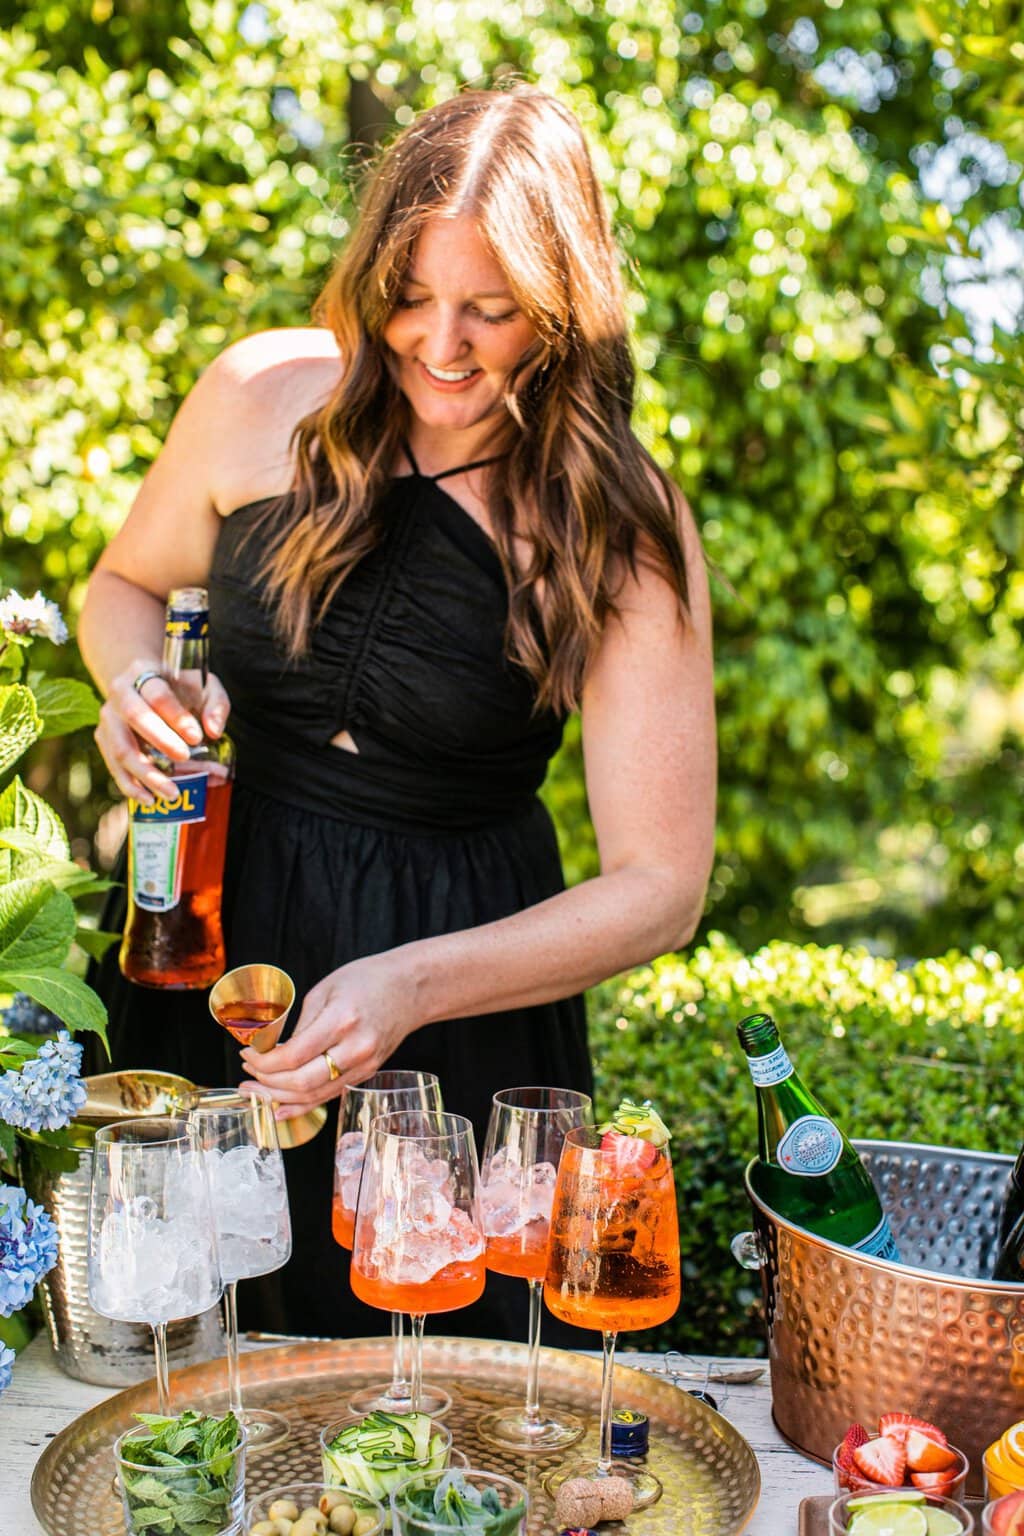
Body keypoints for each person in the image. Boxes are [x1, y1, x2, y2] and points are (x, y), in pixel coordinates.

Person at [80, 85, 716, 1341]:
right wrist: (133, 687)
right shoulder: (259, 392)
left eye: (493, 312)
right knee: (157, 1361)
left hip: (453, 999)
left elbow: (661, 885)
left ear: (568, 310)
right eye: (411, 297)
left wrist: (413, 987)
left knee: (421, 1404)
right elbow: (124, 587)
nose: (442, 346)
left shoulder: (615, 518)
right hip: (204, 932)